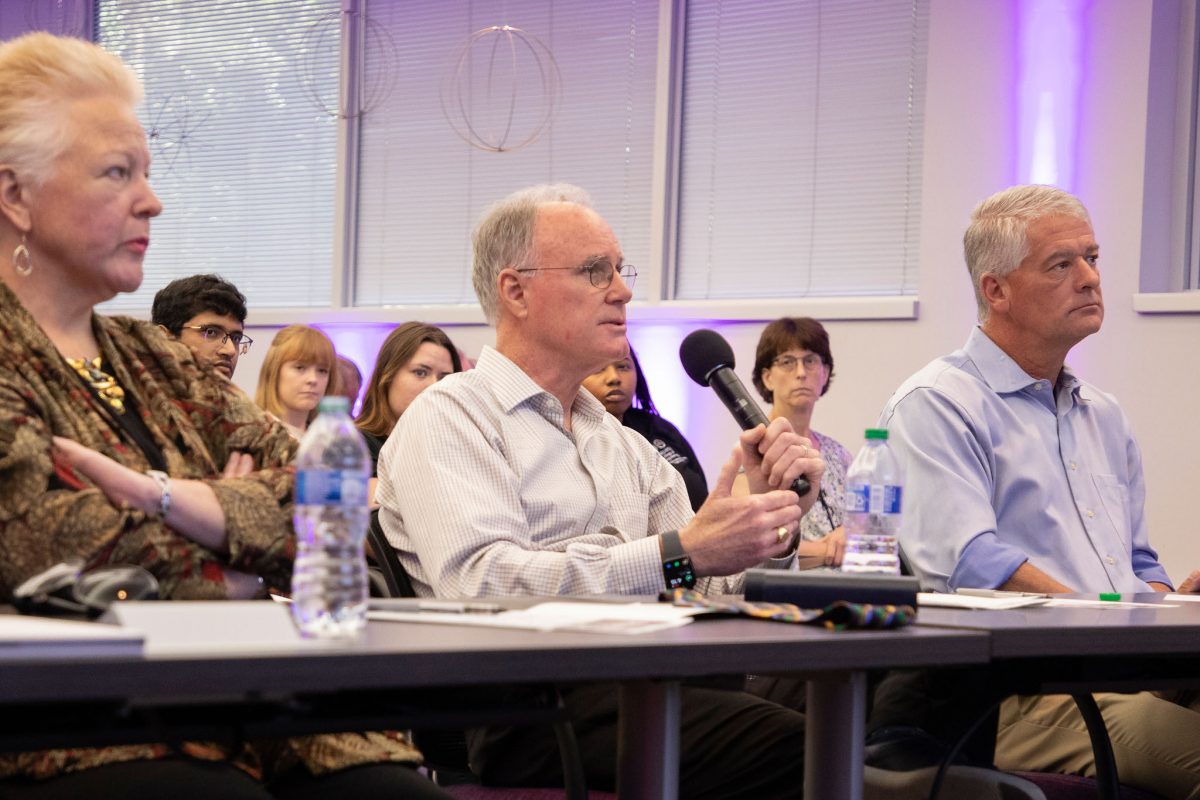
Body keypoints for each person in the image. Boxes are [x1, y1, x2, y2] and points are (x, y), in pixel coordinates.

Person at [0, 32, 445, 800]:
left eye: (147, 172)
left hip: (251, 705)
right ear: (15, 196)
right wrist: (235, 556)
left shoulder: (151, 355)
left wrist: (164, 499)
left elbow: (322, 483)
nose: (152, 199)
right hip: (82, 728)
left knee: (392, 791)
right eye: (118, 173)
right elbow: (43, 554)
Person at [377, 183, 825, 797]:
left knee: (849, 698)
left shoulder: (620, 441)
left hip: (652, 674)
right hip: (534, 707)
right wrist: (677, 552)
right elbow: (480, 586)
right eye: (595, 271)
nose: (622, 289)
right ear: (516, 291)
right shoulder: (454, 414)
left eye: (619, 269)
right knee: (804, 748)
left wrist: (770, 524)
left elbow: (712, 585)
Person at [877, 184, 1200, 799]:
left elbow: (1137, 565)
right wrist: (1121, 620)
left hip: (1123, 665)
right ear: (995, 289)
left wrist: (1169, 605)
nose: (1089, 278)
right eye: (1061, 264)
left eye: (1093, 258)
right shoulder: (936, 405)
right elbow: (973, 565)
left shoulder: (1104, 416)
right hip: (1019, 691)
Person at [737, 317, 851, 567]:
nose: (801, 373)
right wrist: (827, 552)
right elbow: (745, 541)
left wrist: (850, 536)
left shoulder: (839, 454)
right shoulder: (754, 450)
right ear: (767, 378)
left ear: (825, 373)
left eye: (810, 361)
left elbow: (862, 529)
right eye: (787, 362)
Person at [582, 344, 708, 511]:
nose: (614, 377)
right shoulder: (571, 438)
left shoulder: (660, 429)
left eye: (623, 366)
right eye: (598, 368)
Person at [355, 322, 461, 489]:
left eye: (444, 378)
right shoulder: (353, 444)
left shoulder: (453, 447)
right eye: (420, 372)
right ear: (387, 375)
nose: (434, 386)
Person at [151, 273, 251, 380]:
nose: (230, 351)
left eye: (236, 338)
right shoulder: (136, 394)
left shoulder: (238, 396)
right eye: (211, 332)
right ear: (163, 339)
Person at [254, 324, 339, 440]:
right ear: (274, 371)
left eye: (322, 370)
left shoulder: (329, 440)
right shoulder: (255, 438)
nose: (313, 379)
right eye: (300, 368)